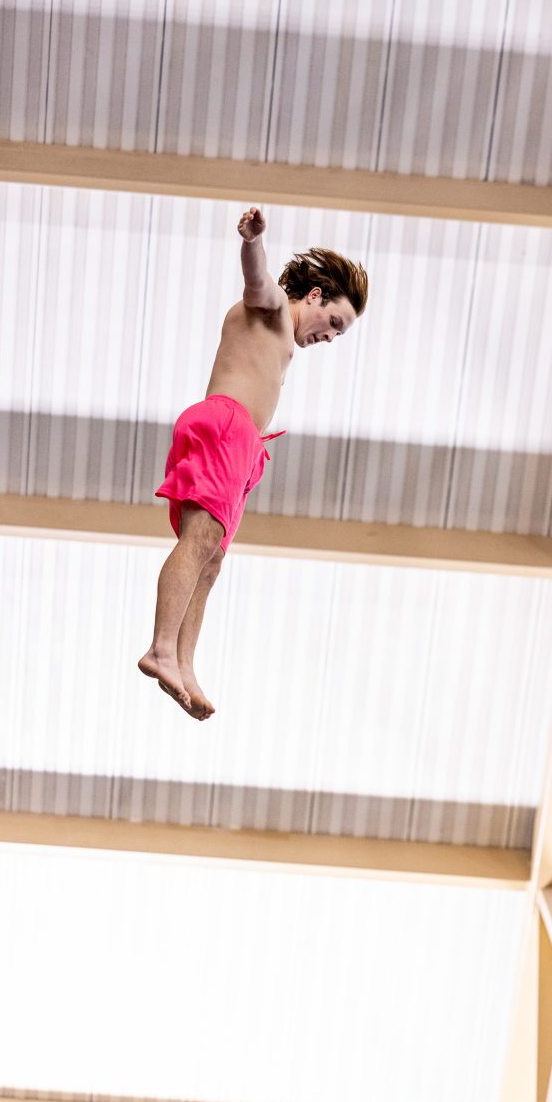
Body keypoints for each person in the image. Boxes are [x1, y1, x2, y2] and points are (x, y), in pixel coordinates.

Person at [138, 207, 368, 719]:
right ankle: (161, 648)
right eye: (334, 322)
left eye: (340, 334)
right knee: (200, 541)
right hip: (225, 425)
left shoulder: (282, 335)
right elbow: (258, 281)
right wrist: (253, 242)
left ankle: (183, 662)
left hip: (243, 445)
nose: (331, 337)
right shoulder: (275, 310)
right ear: (315, 296)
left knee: (212, 560)